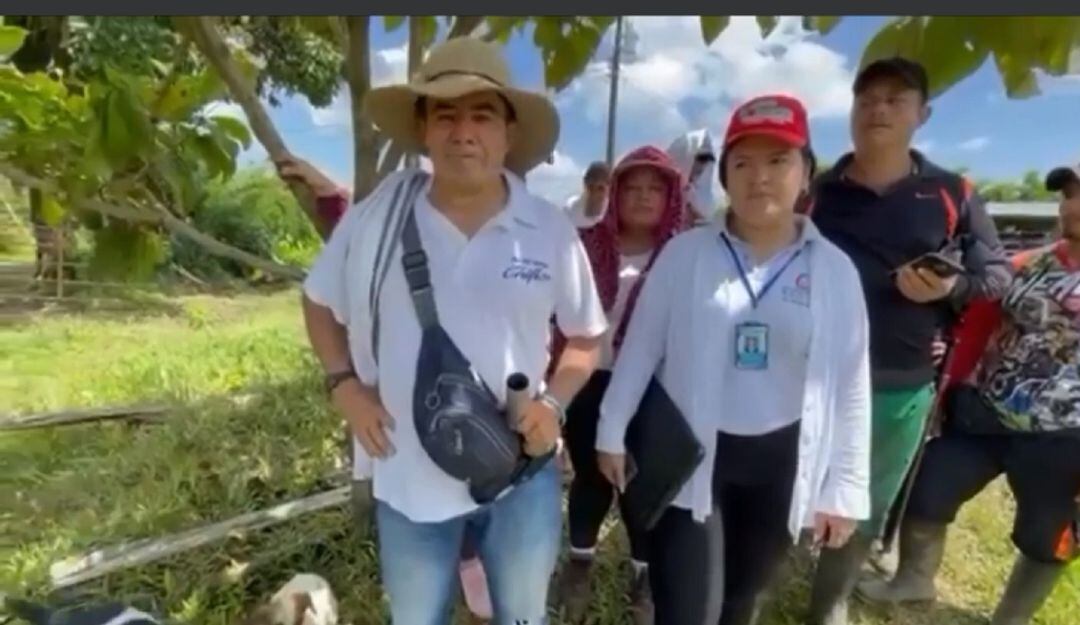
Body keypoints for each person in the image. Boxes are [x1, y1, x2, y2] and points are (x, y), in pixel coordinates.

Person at [301, 37, 607, 625]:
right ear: (422, 128)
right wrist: (344, 386)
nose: (463, 130)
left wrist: (553, 402)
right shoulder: (375, 220)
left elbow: (587, 337)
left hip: (520, 472)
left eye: (482, 114)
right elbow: (317, 302)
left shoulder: (546, 229)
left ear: (508, 134)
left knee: (521, 616)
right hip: (408, 477)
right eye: (445, 112)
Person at [594, 94, 873, 625]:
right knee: (688, 609)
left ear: (806, 173)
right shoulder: (686, 254)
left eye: (778, 161)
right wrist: (611, 430)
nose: (759, 178)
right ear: (723, 176)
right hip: (694, 456)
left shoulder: (834, 270)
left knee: (741, 600)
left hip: (782, 462)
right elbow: (641, 347)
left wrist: (846, 486)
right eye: (742, 163)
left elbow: (850, 381)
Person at [804, 57, 1012, 625]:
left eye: (896, 99)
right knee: (792, 481)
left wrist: (949, 289)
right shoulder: (816, 192)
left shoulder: (952, 193)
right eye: (866, 98)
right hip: (807, 373)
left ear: (922, 114)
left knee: (864, 501)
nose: (878, 109)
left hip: (900, 379)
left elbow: (996, 274)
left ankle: (830, 603)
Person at [857, 163, 1080, 625]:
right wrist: (947, 381)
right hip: (986, 414)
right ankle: (913, 581)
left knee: (1049, 538)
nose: (1070, 207)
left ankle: (1010, 619)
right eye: (1068, 196)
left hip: (1065, 437)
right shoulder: (1027, 264)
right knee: (928, 490)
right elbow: (977, 325)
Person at [551, 145, 688, 623]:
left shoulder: (684, 254)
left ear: (671, 195)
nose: (643, 197)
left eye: (655, 189)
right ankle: (580, 562)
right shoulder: (585, 245)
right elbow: (558, 314)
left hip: (654, 386)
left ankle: (643, 574)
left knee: (640, 482)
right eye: (632, 188)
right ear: (615, 193)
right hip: (588, 377)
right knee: (591, 475)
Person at [667, 128, 721, 226]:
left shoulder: (714, 199)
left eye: (709, 159)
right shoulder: (662, 197)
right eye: (701, 158)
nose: (704, 165)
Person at [563, 161, 613, 229]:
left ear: (609, 188)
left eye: (600, 188)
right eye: (591, 187)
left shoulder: (613, 215)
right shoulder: (570, 209)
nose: (595, 193)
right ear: (585, 185)